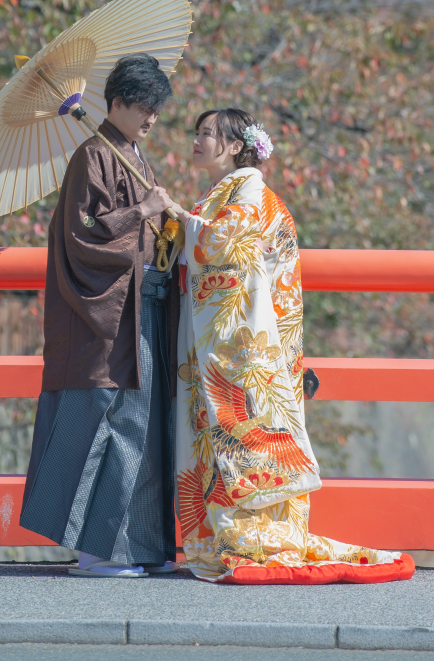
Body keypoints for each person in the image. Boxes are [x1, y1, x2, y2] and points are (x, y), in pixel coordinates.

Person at [166, 108, 415, 585]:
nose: (197, 141)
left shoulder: (250, 190)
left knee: (241, 426)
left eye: (208, 134)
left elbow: (223, 248)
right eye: (196, 133)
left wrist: (177, 214)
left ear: (236, 147)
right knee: (217, 431)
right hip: (225, 337)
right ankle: (224, 540)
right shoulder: (223, 191)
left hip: (243, 344)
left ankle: (257, 539)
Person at [19, 54, 180, 578]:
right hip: (107, 318)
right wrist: (144, 212)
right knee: (106, 422)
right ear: (116, 103)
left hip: (142, 307)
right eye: (144, 107)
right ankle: (96, 553)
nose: (152, 117)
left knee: (142, 426)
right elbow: (82, 234)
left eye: (156, 107)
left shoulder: (130, 153)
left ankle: (137, 547)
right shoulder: (93, 155)